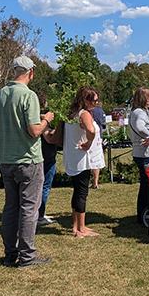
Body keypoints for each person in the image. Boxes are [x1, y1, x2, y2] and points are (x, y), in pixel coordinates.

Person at [0, 56, 54, 267]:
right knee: (29, 209)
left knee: (11, 208)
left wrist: (7, 136)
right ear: (30, 72)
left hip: (7, 159)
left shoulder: (1, 94)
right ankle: (27, 256)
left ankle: (10, 253)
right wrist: (46, 119)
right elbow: (34, 131)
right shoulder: (29, 95)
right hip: (28, 160)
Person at [63, 87, 106, 237]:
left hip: (74, 158)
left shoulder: (72, 114)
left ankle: (75, 226)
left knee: (77, 191)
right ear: (85, 100)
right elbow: (91, 131)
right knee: (82, 192)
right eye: (94, 100)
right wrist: (88, 143)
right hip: (82, 159)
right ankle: (81, 228)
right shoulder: (84, 114)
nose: (96, 103)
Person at [127, 87, 149, 224]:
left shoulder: (136, 111)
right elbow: (139, 126)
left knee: (146, 184)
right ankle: (148, 212)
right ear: (145, 98)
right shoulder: (139, 113)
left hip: (140, 153)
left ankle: (144, 212)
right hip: (145, 154)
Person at [36, 107, 59, 227]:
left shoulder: (42, 124)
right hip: (46, 160)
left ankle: (41, 213)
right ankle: (39, 215)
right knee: (44, 188)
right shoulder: (44, 125)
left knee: (43, 187)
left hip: (48, 158)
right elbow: (49, 138)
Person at [89, 102, 107, 189]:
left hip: (88, 136)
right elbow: (104, 124)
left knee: (87, 158)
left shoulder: (87, 110)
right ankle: (95, 182)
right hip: (98, 136)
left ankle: (88, 180)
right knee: (96, 159)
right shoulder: (101, 111)